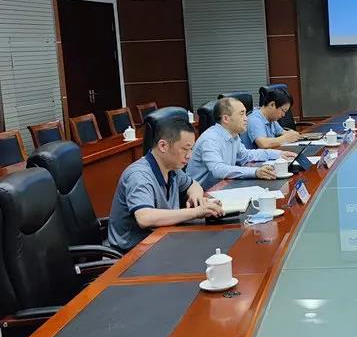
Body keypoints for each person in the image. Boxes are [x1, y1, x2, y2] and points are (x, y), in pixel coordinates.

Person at [108, 116, 224, 252]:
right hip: (135, 252)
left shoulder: (172, 169)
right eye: (185, 149)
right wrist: (196, 212)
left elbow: (194, 185)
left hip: (163, 240)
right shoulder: (139, 175)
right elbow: (145, 218)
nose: (189, 155)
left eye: (191, 149)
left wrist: (196, 198)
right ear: (163, 146)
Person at [186, 97, 297, 190]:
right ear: (226, 119)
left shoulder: (233, 135)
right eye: (242, 114)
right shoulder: (210, 139)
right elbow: (218, 170)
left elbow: (246, 156)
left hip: (222, 187)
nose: (246, 119)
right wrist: (255, 172)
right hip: (202, 196)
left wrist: (277, 154)